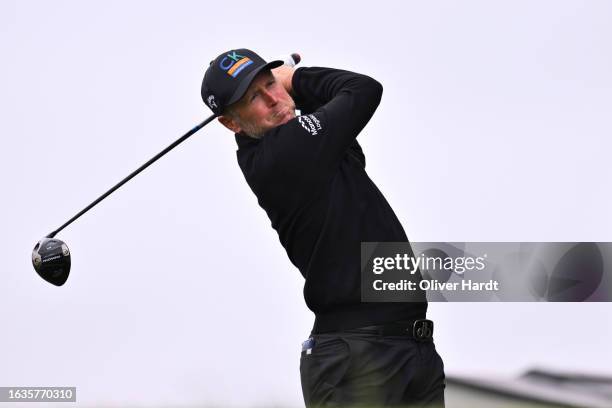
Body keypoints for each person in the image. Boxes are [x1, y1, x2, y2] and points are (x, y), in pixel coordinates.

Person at [201, 48, 445, 407]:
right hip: (356, 358)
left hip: (409, 348)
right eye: (255, 96)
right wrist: (294, 79)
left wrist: (285, 92)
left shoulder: (305, 142)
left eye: (271, 83)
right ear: (231, 123)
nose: (272, 98)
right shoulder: (286, 151)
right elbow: (363, 90)